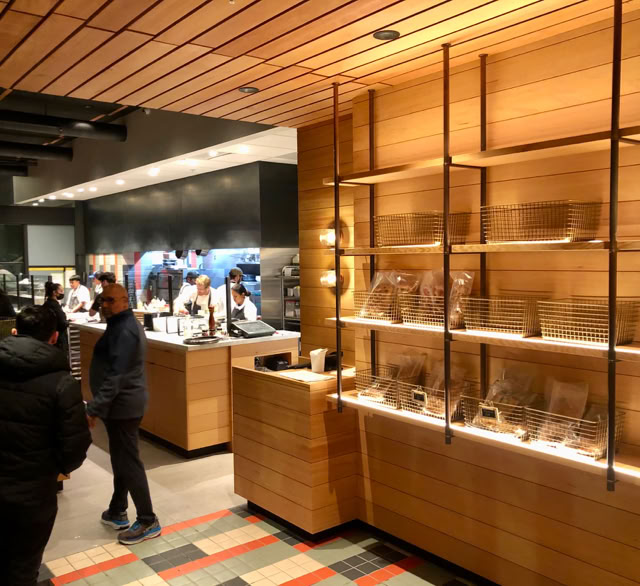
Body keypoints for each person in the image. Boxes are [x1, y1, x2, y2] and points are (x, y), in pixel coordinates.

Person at [0, 306, 91, 585]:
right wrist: (55, 469)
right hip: (34, 492)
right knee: (24, 567)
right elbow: (75, 448)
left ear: (14, 331)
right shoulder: (62, 382)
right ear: (54, 338)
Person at [86, 283, 161, 545]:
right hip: (117, 406)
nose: (105, 305)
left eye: (110, 301)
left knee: (128, 461)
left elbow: (117, 376)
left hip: (124, 406)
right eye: (102, 301)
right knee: (121, 458)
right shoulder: (118, 324)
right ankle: (117, 510)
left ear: (124, 301)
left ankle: (148, 520)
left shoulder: (126, 330)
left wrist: (94, 408)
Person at [43, 281, 69, 354]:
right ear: (54, 292)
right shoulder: (55, 306)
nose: (62, 293)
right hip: (58, 338)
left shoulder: (46, 303)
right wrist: (67, 322)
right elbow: (62, 323)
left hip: (49, 337)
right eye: (61, 291)